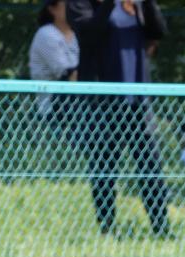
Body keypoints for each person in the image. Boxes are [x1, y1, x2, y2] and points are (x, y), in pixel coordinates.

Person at [70, 0, 169, 238]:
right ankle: (107, 229)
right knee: (104, 169)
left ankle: (162, 228)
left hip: (138, 102)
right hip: (103, 102)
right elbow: (89, 34)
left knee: (150, 167)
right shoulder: (83, 5)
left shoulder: (135, 5)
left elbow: (159, 32)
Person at [28, 0, 79, 117]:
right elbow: (66, 73)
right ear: (52, 9)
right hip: (52, 110)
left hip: (74, 107)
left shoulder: (73, 34)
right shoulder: (46, 34)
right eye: (66, 4)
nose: (72, 8)